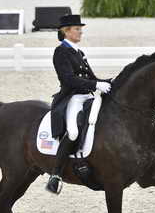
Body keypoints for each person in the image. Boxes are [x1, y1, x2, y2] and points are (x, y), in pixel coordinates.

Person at [46, 14, 111, 195]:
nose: (80, 31)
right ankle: (56, 175)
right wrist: (96, 85)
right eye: (76, 28)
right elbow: (69, 79)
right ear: (66, 31)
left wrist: (110, 82)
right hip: (72, 97)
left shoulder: (79, 53)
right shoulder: (61, 52)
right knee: (73, 131)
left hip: (87, 96)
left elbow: (91, 78)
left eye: (80, 28)